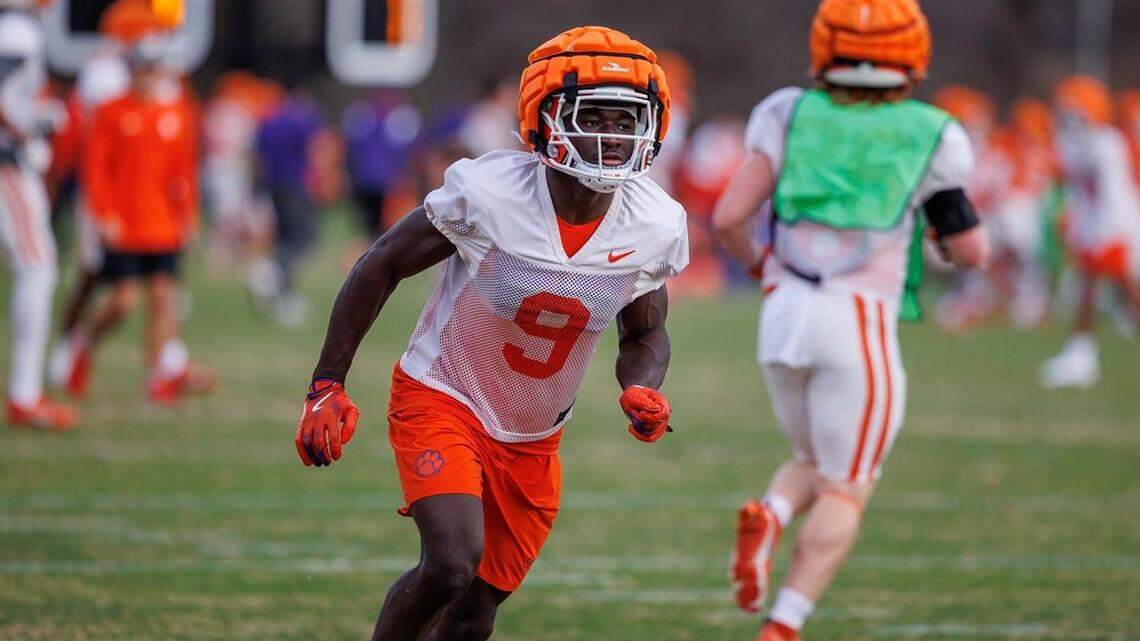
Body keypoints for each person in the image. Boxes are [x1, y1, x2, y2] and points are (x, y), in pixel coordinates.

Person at [293, 26, 688, 641]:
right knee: (451, 564)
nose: (614, 137)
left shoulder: (654, 222)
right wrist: (327, 382)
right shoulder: (490, 193)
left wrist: (644, 388)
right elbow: (382, 264)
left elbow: (645, 333)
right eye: (595, 118)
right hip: (444, 394)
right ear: (547, 118)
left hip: (535, 435)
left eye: (627, 119)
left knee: (476, 609)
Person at [711, 2, 990, 639]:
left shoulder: (786, 111)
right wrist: (956, 249)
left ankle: (774, 514)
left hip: (783, 317)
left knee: (812, 457)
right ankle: (785, 624)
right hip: (858, 318)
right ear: (911, 54)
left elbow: (729, 217)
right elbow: (971, 250)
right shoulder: (931, 131)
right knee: (848, 486)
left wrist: (765, 273)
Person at [62, 31, 213, 404]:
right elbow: (96, 169)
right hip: (126, 224)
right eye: (141, 68)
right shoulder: (112, 112)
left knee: (163, 297)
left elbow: (183, 171)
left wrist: (188, 214)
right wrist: (104, 214)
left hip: (161, 223)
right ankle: (85, 343)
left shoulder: (176, 113)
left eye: (153, 68)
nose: (147, 75)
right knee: (123, 301)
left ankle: (158, 375)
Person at [0, 0, 77, 429]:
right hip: (7, 165)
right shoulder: (16, 29)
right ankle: (24, 395)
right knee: (38, 267)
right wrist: (35, 122)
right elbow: (5, 98)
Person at [1038, 76, 1140, 389]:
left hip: (1118, 225)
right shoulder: (1072, 143)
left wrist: (1104, 238)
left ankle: (1081, 356)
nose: (1068, 117)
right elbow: (1078, 193)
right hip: (1096, 226)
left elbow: (1115, 196)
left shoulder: (1106, 143)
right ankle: (1081, 356)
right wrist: (1078, 229)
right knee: (1097, 291)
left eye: (1075, 109)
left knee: (1126, 293)